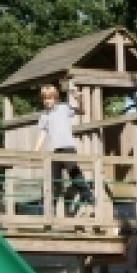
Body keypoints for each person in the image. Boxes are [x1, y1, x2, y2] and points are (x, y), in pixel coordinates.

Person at [33, 83, 94, 215]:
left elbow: (82, 111)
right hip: (54, 150)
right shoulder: (44, 116)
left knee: (74, 171)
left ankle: (87, 194)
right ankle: (50, 209)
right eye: (45, 99)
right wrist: (36, 149)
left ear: (55, 98)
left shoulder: (63, 108)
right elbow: (43, 133)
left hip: (67, 147)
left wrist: (79, 100)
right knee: (54, 180)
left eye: (50, 98)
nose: (48, 101)